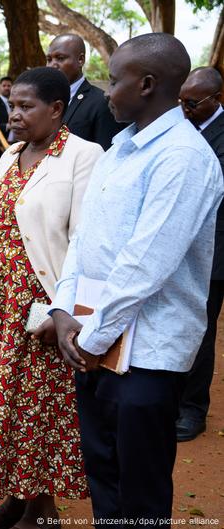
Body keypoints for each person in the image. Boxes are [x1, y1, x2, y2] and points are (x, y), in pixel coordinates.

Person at [48, 33, 223, 526]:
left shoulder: (183, 158)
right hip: (93, 339)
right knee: (103, 470)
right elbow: (84, 239)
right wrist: (64, 310)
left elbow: (145, 265)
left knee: (140, 485)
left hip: (147, 351)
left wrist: (91, 336)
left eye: (114, 80)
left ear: (147, 84)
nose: (105, 91)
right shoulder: (120, 149)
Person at [0, 67, 103, 529]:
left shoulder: (83, 156)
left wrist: (67, 310)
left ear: (56, 109)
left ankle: (41, 506)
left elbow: (85, 241)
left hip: (42, 302)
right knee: (0, 399)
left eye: (27, 107)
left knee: (39, 405)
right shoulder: (10, 155)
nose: (14, 115)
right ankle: (13, 497)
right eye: (13, 105)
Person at [177, 67, 224, 442]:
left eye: (191, 103)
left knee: (202, 331)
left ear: (216, 100)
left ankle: (193, 410)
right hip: (180, 250)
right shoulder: (182, 131)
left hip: (216, 253)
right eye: (181, 101)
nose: (184, 109)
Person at [46, 34, 123, 151]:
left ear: (80, 60)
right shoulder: (43, 100)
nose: (52, 65)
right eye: (49, 60)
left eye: (60, 58)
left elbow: (106, 152)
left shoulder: (101, 102)